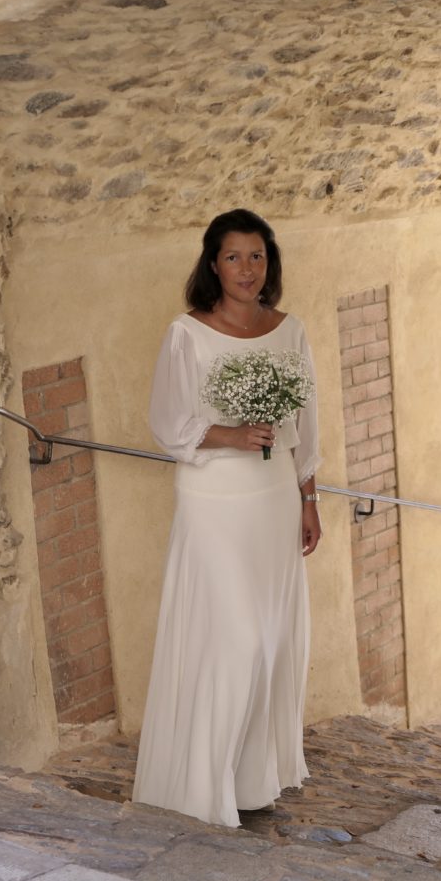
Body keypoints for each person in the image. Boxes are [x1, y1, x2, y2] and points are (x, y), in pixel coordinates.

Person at [132, 208, 322, 828]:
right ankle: (198, 787)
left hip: (273, 498)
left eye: (257, 256)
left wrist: (309, 498)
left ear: (270, 263)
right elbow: (167, 422)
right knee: (234, 640)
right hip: (212, 499)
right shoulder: (187, 333)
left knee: (269, 643)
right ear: (213, 264)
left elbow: (304, 426)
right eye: (234, 257)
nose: (247, 269)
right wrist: (230, 435)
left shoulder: (290, 331)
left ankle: (248, 781)